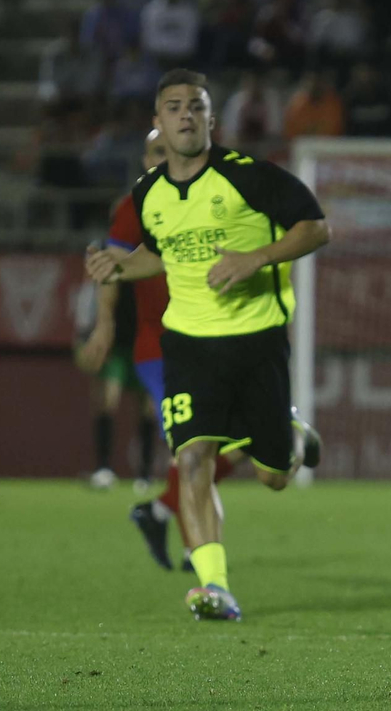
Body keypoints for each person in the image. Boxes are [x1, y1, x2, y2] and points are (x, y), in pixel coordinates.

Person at [85, 69, 330, 621]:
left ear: (211, 119)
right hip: (189, 346)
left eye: (195, 106)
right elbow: (165, 253)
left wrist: (256, 258)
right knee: (193, 459)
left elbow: (316, 228)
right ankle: (215, 588)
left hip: (257, 340)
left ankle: (287, 436)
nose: (185, 115)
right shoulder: (148, 193)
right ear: (158, 122)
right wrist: (121, 266)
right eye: (173, 107)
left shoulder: (249, 177)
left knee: (272, 478)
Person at [101, 129, 239, 571]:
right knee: (192, 449)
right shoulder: (134, 207)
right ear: (145, 159)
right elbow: (111, 265)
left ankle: (160, 510)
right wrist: (103, 324)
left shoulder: (211, 200)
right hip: (158, 350)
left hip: (211, 342)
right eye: (157, 152)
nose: (167, 159)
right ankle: (196, 553)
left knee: (234, 447)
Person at [73, 263, 155, 493]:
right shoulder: (113, 253)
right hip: (116, 345)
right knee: (107, 401)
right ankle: (104, 469)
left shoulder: (152, 253)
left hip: (146, 342)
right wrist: (83, 335)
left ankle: (145, 474)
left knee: (148, 408)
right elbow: (90, 295)